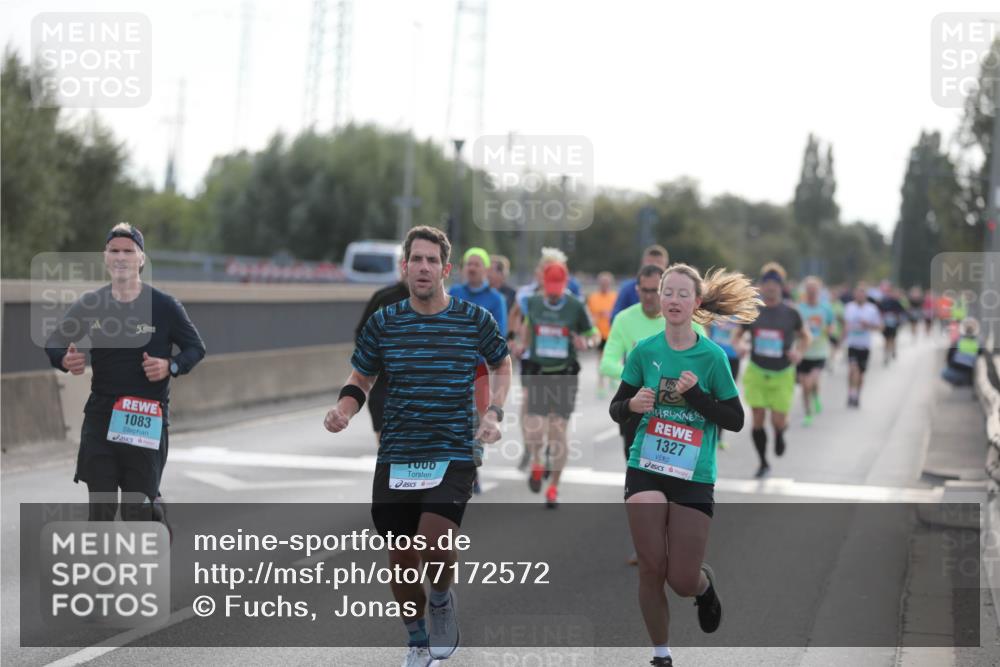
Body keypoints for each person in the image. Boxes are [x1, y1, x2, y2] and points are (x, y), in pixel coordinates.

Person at [324, 226, 511, 666]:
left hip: (451, 448)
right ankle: (417, 641)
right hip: (399, 452)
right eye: (416, 259)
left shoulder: (472, 319)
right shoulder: (384, 322)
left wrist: (494, 411)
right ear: (404, 266)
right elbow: (360, 378)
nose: (423, 267)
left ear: (445, 269)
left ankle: (442, 597)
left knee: (435, 541)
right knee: (402, 556)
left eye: (432, 260)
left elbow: (501, 363)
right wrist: (343, 411)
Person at [608, 263, 758, 667]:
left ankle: (703, 586)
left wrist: (695, 397)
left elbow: (735, 420)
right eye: (667, 292)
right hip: (647, 465)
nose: (673, 300)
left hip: (694, 474)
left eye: (682, 294)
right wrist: (631, 405)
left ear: (696, 302)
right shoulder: (645, 352)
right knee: (651, 568)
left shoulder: (712, 357)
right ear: (659, 298)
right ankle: (661, 654)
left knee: (680, 579)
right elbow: (616, 409)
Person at [45, 223, 206, 525]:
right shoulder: (91, 304)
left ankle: (154, 510)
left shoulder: (165, 306)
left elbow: (195, 348)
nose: (121, 257)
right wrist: (64, 360)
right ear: (105, 258)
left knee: (138, 512)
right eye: (114, 251)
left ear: (141, 259)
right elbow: (54, 342)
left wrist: (169, 366)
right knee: (102, 509)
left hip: (144, 416)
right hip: (101, 415)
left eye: (128, 251)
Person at [520, 262, 601, 508]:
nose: (554, 292)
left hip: (565, 374)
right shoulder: (533, 302)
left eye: (558, 287)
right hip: (539, 372)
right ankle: (536, 462)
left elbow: (594, 334)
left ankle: (554, 487)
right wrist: (521, 345)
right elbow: (527, 328)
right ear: (543, 282)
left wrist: (586, 342)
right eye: (550, 286)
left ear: (564, 284)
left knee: (557, 432)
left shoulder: (576, 306)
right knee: (534, 429)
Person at [733, 263, 810, 478]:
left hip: (783, 373)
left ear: (781, 287)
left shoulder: (791, 313)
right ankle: (763, 462)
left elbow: (805, 336)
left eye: (774, 285)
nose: (770, 288)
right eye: (766, 284)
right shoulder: (752, 311)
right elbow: (736, 335)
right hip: (757, 371)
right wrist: (740, 346)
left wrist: (799, 353)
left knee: (777, 419)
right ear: (760, 287)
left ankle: (779, 432)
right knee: (757, 417)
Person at [354, 276, 410, 442]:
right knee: (385, 438)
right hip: (384, 379)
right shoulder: (384, 297)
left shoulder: (436, 301)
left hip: (417, 382)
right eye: (413, 260)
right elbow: (362, 332)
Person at [795, 277, 834, 427]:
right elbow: (794, 329)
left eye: (814, 289)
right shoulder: (799, 309)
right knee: (805, 386)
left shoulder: (826, 308)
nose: (811, 292)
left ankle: (815, 398)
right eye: (809, 289)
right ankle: (808, 413)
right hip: (803, 352)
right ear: (805, 291)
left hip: (819, 352)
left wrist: (828, 330)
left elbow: (831, 326)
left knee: (810, 382)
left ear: (818, 291)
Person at [843, 283, 882, 408]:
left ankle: (857, 395)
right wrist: (841, 340)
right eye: (857, 294)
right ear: (855, 295)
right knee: (852, 370)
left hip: (865, 345)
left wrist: (868, 325)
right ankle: (851, 393)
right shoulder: (849, 307)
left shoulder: (872, 309)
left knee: (860, 374)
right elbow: (845, 325)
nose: (859, 296)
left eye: (862, 294)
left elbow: (880, 327)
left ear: (865, 296)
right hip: (852, 344)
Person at [611, 244, 670, 322]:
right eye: (650, 263)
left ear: (666, 265)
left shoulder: (673, 290)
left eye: (658, 264)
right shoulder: (628, 289)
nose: (653, 268)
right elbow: (615, 318)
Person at [586, 271, 618, 397]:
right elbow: (588, 315)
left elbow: (618, 313)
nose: (604, 285)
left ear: (610, 284)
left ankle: (611, 378)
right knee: (600, 359)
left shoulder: (615, 296)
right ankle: (600, 383)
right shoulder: (593, 297)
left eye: (607, 283)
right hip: (599, 333)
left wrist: (609, 314)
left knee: (613, 357)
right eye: (602, 283)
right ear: (599, 283)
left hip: (612, 333)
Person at [941, 317, 981, 386]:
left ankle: (959, 381)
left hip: (956, 370)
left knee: (944, 373)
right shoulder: (978, 343)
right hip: (970, 373)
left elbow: (949, 358)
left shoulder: (958, 342)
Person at [488, 254, 517, 336]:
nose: (487, 274)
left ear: (501, 273)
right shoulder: (482, 292)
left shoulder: (512, 293)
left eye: (490, 270)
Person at [879, 286, 906, 366]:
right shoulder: (883, 301)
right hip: (885, 324)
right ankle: (886, 355)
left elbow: (901, 311)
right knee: (886, 340)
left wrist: (898, 319)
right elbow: (880, 311)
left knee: (892, 338)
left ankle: (893, 350)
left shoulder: (895, 301)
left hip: (893, 324)